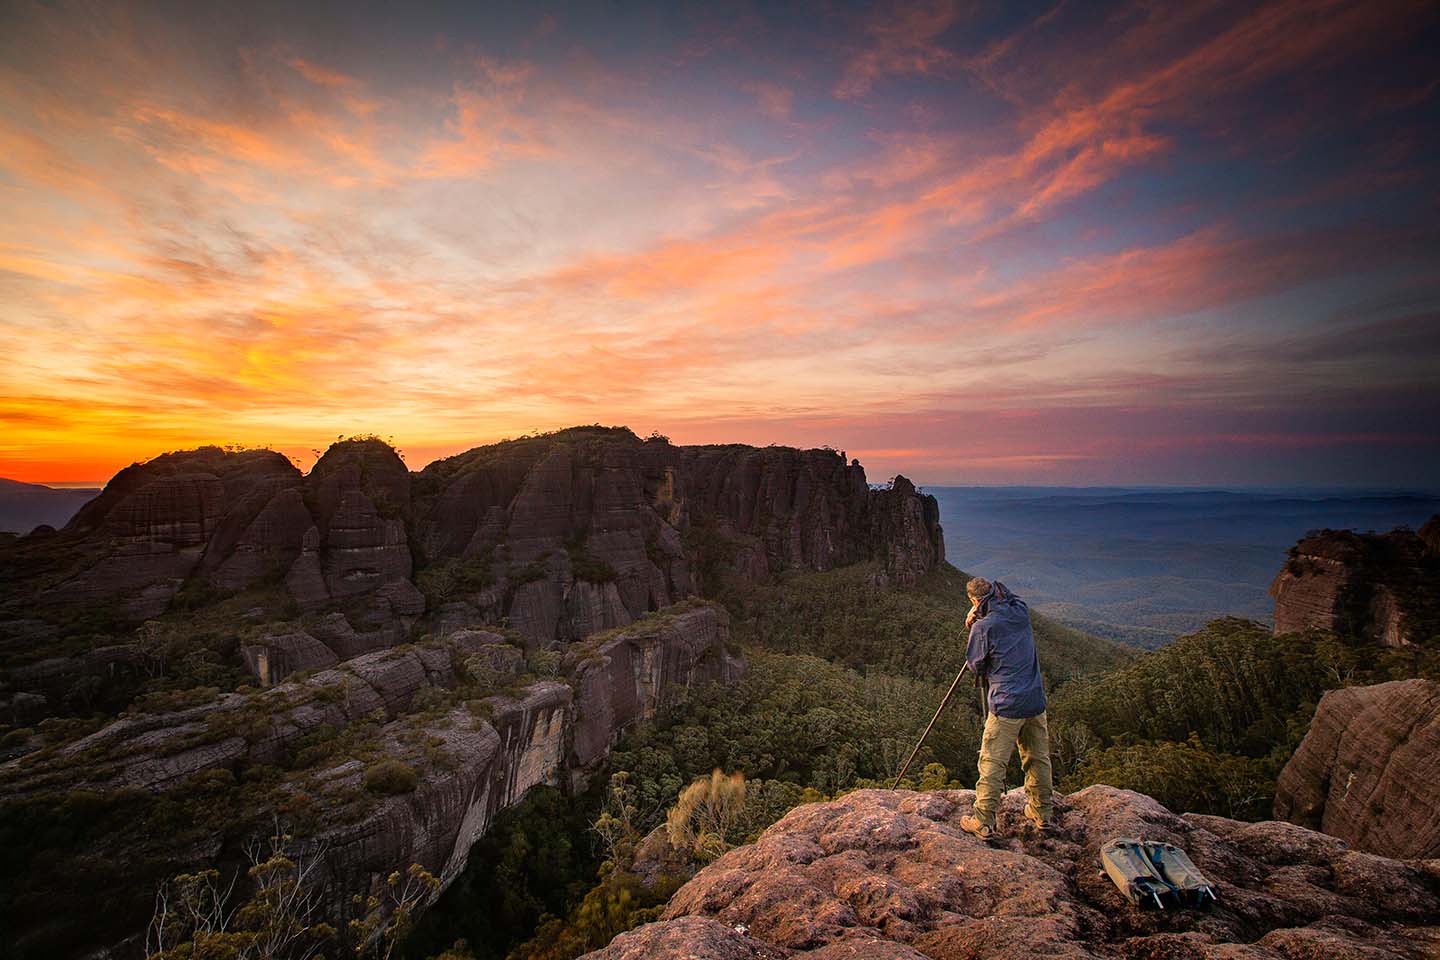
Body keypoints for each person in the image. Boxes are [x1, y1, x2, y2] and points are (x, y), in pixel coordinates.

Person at [958, 576, 1054, 839]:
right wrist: (985, 605)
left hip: (1006, 703)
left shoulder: (983, 628)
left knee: (992, 762)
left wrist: (975, 619)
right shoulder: (1020, 611)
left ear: (974, 601)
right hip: (1034, 700)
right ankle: (1042, 812)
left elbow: (976, 666)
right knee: (1038, 758)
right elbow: (1009, 597)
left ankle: (983, 821)